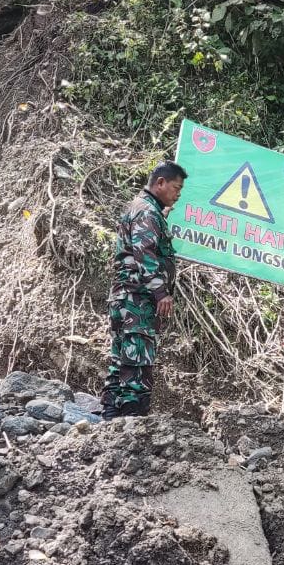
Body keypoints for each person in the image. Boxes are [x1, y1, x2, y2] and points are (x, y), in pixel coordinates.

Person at [100, 161, 187, 420]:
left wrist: (161, 217)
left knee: (121, 359)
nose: (178, 194)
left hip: (124, 299)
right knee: (137, 361)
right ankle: (131, 424)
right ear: (160, 183)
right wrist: (161, 293)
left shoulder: (144, 210)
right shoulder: (147, 213)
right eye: (175, 188)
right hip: (137, 299)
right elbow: (145, 254)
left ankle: (110, 416)